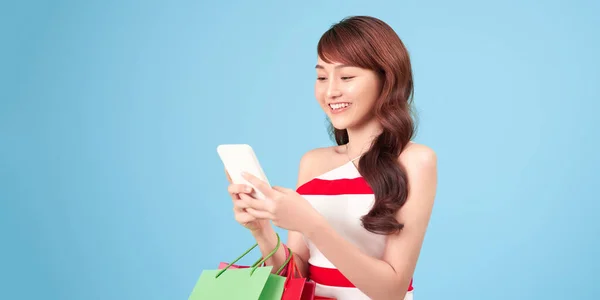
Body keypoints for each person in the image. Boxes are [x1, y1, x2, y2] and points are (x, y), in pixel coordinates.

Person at [225, 16, 437, 300]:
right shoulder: (313, 162)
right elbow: (296, 276)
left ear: (386, 79)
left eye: (346, 76)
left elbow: (392, 290)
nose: (330, 91)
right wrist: (262, 230)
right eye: (322, 76)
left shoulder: (415, 160)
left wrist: (311, 223)